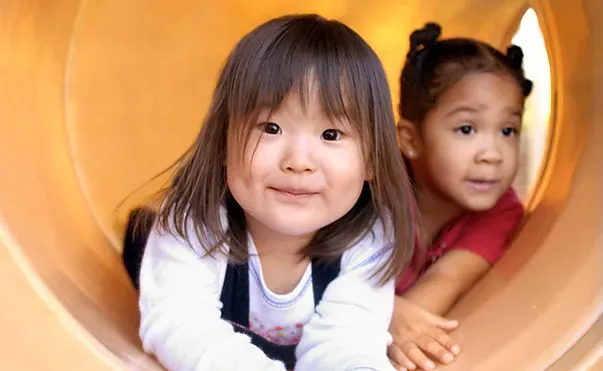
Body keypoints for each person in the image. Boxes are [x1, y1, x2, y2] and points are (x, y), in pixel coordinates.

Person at [136, 14, 416, 371]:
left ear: (373, 159)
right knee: (146, 236)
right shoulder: (195, 223)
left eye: (331, 134)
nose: (299, 161)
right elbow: (180, 323)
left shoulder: (370, 237)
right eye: (271, 127)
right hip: (167, 245)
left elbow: (350, 341)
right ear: (223, 142)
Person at [387, 23, 533, 371]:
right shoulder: (374, 188)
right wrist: (381, 311)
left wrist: (392, 319)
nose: (493, 154)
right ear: (410, 140)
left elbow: (446, 281)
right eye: (467, 129)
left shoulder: (502, 210)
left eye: (507, 130)